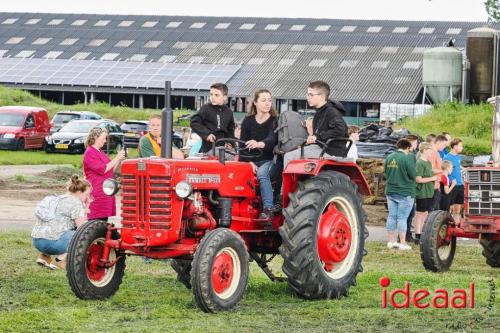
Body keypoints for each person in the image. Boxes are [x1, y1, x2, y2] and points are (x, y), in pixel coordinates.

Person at [284, 81, 348, 168]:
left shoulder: (331, 111)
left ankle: (289, 182)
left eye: (311, 95)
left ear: (321, 96)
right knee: (294, 150)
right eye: (307, 94)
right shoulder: (321, 111)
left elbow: (340, 129)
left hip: (330, 151)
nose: (308, 97)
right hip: (323, 147)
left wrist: (317, 137)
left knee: (288, 156)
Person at [32, 175, 91, 270]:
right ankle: (60, 260)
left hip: (36, 241)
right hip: (51, 243)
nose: (88, 197)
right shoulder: (76, 203)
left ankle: (44, 257)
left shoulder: (57, 198)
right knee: (84, 234)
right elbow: (82, 227)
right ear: (80, 192)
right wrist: (86, 207)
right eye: (87, 194)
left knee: (58, 227)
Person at [239, 89, 277, 221]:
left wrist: (259, 144)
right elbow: (242, 145)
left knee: (262, 173)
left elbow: (272, 140)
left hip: (270, 161)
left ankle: (268, 210)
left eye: (269, 100)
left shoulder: (274, 121)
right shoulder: (248, 121)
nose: (267, 103)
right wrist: (248, 163)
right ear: (255, 102)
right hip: (251, 161)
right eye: (263, 100)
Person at [83, 127, 125, 221]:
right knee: (96, 219)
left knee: (103, 219)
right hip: (97, 192)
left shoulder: (100, 152)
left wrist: (119, 158)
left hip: (105, 191)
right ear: (95, 137)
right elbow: (103, 169)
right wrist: (117, 158)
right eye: (103, 138)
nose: (105, 141)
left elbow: (111, 169)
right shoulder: (90, 152)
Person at [383, 138, 416, 250]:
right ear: (407, 148)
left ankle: (391, 241)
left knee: (392, 216)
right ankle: (402, 243)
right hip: (405, 192)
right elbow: (413, 175)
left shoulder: (389, 157)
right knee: (402, 218)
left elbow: (386, 172)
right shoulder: (406, 158)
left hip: (391, 191)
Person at [190, 83, 235, 154]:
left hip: (224, 148)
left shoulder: (229, 112)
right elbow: (194, 122)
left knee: (235, 157)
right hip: (209, 148)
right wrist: (207, 134)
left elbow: (230, 130)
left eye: (216, 95)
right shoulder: (206, 108)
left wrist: (230, 143)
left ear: (225, 97)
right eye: (211, 94)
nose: (212, 97)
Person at [414, 142, 438, 244]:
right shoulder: (419, 163)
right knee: (420, 214)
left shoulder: (428, 163)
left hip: (429, 192)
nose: (431, 153)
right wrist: (433, 178)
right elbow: (418, 179)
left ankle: (423, 233)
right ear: (424, 150)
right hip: (422, 192)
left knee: (426, 213)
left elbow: (430, 172)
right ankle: (417, 235)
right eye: (429, 150)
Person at [444, 138, 464, 222]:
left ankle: (455, 226)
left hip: (460, 185)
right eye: (460, 146)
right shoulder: (447, 157)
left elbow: (458, 167)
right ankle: (447, 225)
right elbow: (445, 171)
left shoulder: (459, 157)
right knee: (450, 208)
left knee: (458, 210)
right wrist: (452, 181)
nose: (462, 148)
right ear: (455, 146)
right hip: (452, 185)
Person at [404, 134, 419, 242]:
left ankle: (406, 234)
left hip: (407, 187)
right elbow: (413, 173)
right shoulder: (410, 155)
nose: (417, 144)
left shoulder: (410, 154)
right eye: (416, 142)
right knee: (408, 213)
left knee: (409, 213)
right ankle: (406, 235)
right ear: (412, 142)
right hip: (408, 187)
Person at [426, 134, 442, 211]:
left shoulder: (437, 153)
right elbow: (430, 169)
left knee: (435, 210)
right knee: (431, 210)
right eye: (444, 144)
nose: (445, 146)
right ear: (438, 143)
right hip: (431, 187)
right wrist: (442, 171)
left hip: (436, 185)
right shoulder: (432, 153)